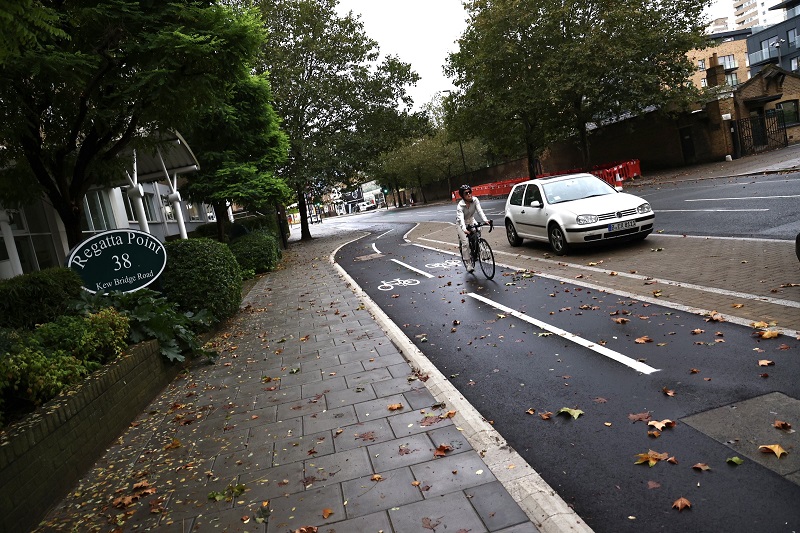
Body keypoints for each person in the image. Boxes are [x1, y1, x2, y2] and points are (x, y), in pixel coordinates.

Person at [455, 184, 491, 273]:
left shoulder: (475, 200)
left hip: (471, 220)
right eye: (466, 193)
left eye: (470, 192)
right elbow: (461, 219)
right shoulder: (460, 206)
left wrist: (485, 220)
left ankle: (480, 250)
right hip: (461, 223)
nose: (469, 194)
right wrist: (464, 229)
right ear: (462, 196)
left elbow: (480, 211)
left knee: (478, 231)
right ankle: (468, 264)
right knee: (466, 243)